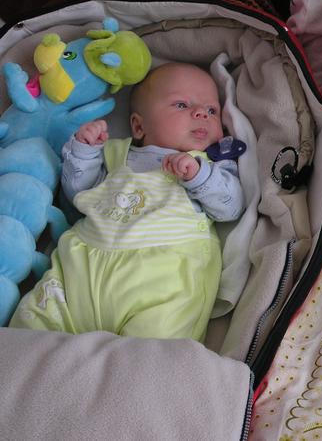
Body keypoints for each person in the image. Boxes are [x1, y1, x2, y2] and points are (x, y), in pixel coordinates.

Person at [10, 62, 244, 341]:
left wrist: (199, 176)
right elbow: (80, 194)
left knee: (154, 352)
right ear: (138, 126)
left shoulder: (210, 165)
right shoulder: (114, 154)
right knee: (29, 329)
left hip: (162, 279)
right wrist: (84, 152)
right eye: (182, 105)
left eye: (212, 110)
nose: (201, 114)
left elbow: (230, 207)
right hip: (80, 270)